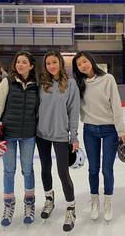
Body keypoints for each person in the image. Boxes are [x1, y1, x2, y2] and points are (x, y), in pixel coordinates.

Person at [72, 51, 125, 222]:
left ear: (91, 61)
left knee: (107, 169)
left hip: (110, 130)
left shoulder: (108, 79)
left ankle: (108, 202)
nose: (83, 65)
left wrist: (121, 130)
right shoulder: (78, 84)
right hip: (89, 130)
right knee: (93, 169)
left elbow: (116, 104)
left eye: (84, 61)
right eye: (79, 64)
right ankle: (95, 201)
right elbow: (75, 109)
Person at [0, 51, 39, 226]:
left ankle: (29, 203)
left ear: (31, 66)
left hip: (29, 135)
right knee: (9, 171)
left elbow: (39, 110)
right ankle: (8, 206)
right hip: (8, 134)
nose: (20, 64)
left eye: (24, 62)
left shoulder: (36, 85)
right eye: (18, 62)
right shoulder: (6, 82)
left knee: (28, 170)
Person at [36, 50, 80, 232]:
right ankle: (49, 199)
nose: (51, 66)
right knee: (45, 168)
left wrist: (74, 136)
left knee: (63, 172)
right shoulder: (42, 84)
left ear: (60, 63)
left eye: (54, 62)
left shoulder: (70, 84)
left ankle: (71, 208)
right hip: (41, 134)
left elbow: (74, 111)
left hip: (61, 135)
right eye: (48, 63)